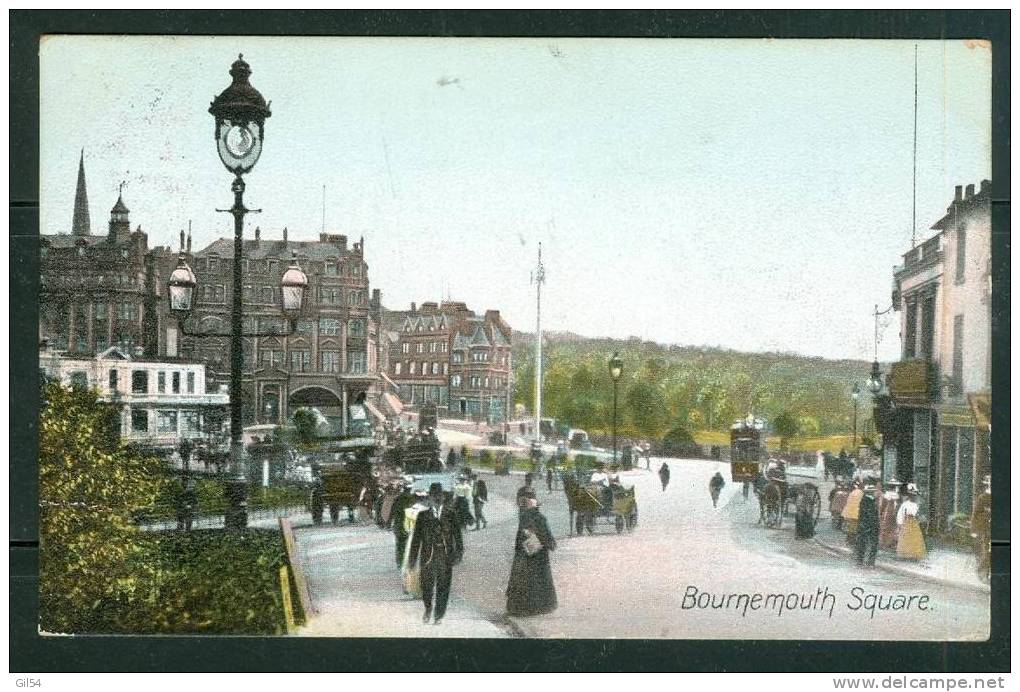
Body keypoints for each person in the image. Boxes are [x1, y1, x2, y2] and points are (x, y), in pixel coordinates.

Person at [407, 482, 464, 625]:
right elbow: (416, 539)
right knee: (426, 585)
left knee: (443, 587)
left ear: (443, 497)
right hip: (428, 556)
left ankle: (438, 615)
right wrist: (412, 560)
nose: (437, 498)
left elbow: (458, 537)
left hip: (445, 557)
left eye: (440, 495)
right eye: (434, 495)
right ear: (430, 497)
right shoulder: (422, 516)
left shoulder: (450, 514)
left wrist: (458, 555)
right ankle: (428, 608)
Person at [506, 489, 558, 617]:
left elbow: (542, 534)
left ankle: (528, 607)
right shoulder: (528, 515)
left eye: (524, 500)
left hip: (532, 551)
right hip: (531, 551)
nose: (521, 504)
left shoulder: (532, 516)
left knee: (530, 578)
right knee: (533, 578)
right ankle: (534, 606)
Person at [896, 485, 927, 561]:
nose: (912, 497)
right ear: (909, 496)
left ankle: (913, 553)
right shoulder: (905, 504)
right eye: (911, 495)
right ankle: (906, 553)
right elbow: (901, 514)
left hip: (914, 523)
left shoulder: (916, 505)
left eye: (914, 496)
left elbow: (917, 514)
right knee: (906, 537)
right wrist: (900, 523)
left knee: (914, 538)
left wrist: (919, 520)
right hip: (906, 522)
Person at [970, 475, 991, 583]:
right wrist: (973, 529)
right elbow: (975, 514)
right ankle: (982, 573)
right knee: (986, 552)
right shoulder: (982, 498)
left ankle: (986, 573)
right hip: (985, 529)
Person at [855, 478, 880, 565]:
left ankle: (864, 560)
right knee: (868, 542)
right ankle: (867, 560)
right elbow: (868, 514)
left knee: (865, 542)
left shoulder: (868, 500)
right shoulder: (868, 501)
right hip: (868, 524)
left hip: (867, 524)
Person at [390, 483, 414, 568]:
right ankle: (408, 562)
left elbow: (392, 513)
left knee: (400, 545)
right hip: (408, 525)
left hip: (399, 525)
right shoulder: (412, 499)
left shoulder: (397, 499)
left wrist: (389, 523)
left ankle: (400, 562)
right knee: (409, 544)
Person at [878, 479, 901, 551]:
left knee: (885, 527)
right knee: (893, 528)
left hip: (887, 513)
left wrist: (881, 513)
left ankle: (885, 543)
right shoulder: (897, 496)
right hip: (895, 513)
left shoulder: (885, 495)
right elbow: (899, 505)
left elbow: (882, 506)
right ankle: (892, 543)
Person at [842, 480, 864, 545]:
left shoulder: (852, 492)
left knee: (850, 528)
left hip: (848, 512)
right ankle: (852, 541)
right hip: (855, 513)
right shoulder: (861, 493)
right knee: (854, 528)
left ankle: (848, 541)